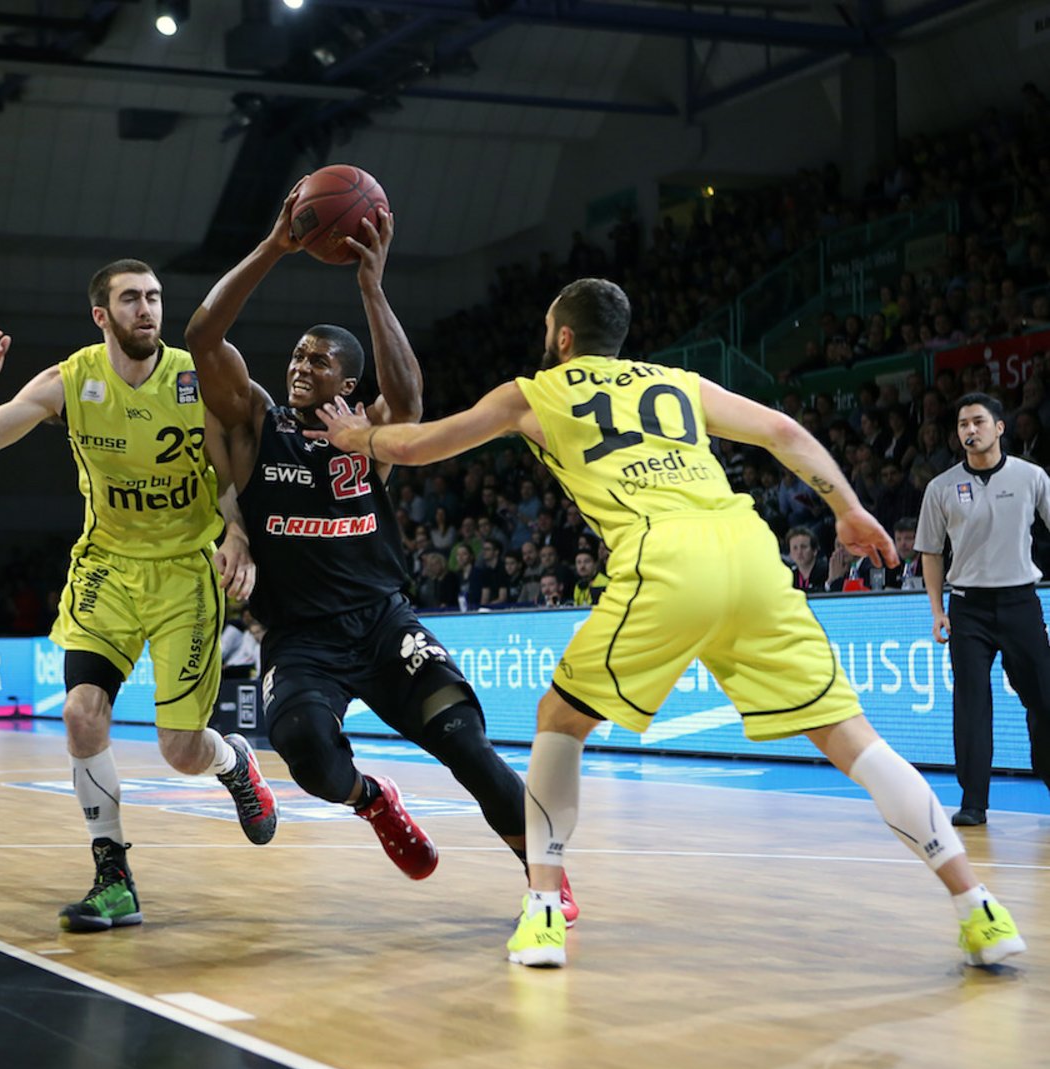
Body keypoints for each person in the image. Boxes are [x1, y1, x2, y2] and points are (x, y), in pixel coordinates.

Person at [314, 277, 1024, 970]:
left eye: (547, 332)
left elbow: (417, 446)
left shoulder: (534, 391)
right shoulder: (678, 382)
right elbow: (781, 430)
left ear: (563, 338)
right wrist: (847, 508)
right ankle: (979, 906)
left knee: (559, 718)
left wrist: (356, 436)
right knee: (852, 739)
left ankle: (544, 910)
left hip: (665, 553)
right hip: (750, 551)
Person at [184, 192, 577, 917]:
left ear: (347, 383)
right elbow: (204, 337)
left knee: (467, 745)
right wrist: (274, 246)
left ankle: (544, 878)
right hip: (301, 638)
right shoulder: (255, 424)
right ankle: (372, 799)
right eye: (298, 354)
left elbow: (410, 400)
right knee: (306, 753)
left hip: (382, 623)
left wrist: (371, 284)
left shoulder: (369, 432)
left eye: (321, 360)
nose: (302, 364)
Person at [0, 257, 276, 933]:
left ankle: (233, 760)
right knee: (80, 712)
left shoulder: (195, 375)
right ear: (101, 315)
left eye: (153, 297)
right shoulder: (70, 381)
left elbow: (233, 469)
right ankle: (113, 875)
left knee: (181, 750)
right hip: (107, 570)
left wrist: (239, 534)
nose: (146, 309)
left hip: (185, 572)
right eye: (130, 299)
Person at [917, 393, 1050, 827]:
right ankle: (974, 802)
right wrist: (937, 609)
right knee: (971, 704)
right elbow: (931, 552)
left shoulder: (1031, 476)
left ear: (999, 428)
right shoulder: (940, 488)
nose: (970, 430)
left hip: (1020, 602)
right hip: (967, 607)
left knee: (1044, 698)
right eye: (962, 424)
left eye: (978, 421)